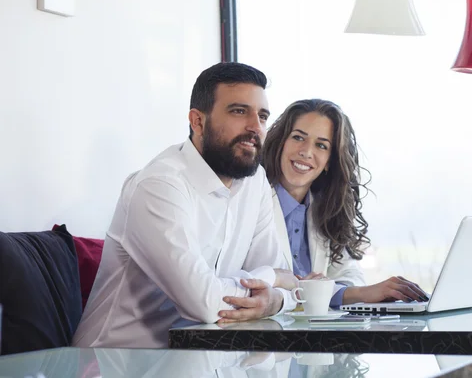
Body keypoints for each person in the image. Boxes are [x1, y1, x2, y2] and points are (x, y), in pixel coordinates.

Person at [73, 62, 298, 348]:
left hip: (198, 360)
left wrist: (275, 298)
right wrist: (269, 279)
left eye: (262, 116)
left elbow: (290, 287)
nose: (255, 127)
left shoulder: (254, 183)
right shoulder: (160, 186)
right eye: (239, 111)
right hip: (118, 364)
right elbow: (204, 304)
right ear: (197, 121)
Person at [262, 99, 428, 307]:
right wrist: (320, 289)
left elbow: (350, 276)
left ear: (329, 162)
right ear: (280, 143)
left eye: (321, 145)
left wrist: (359, 292)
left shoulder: (326, 208)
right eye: (298, 137)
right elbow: (257, 280)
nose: (306, 152)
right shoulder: (251, 199)